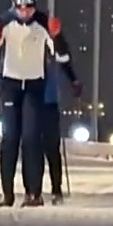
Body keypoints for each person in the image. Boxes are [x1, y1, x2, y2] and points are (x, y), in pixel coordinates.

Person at [0, 0, 63, 207]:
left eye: (29, 7)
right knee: (10, 138)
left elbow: (62, 55)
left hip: (34, 85)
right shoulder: (5, 22)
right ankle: (7, 194)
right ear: (14, 7)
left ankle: (33, 193)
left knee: (31, 139)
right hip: (10, 84)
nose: (24, 11)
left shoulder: (43, 23)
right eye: (20, 7)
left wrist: (56, 36)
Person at [38, 12, 81, 202]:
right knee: (33, 149)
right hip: (32, 101)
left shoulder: (53, 46)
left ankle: (56, 188)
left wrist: (74, 81)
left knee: (51, 148)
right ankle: (35, 189)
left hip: (49, 101)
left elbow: (65, 63)